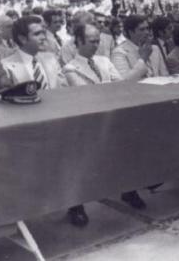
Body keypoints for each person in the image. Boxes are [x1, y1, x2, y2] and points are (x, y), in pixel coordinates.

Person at [61, 23, 122, 227]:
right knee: (81, 167)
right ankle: (76, 206)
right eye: (91, 41)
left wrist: (107, 89)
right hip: (85, 125)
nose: (96, 45)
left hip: (110, 118)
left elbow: (121, 86)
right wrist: (108, 89)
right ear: (78, 42)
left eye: (98, 41)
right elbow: (86, 96)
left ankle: (129, 190)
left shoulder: (104, 61)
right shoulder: (70, 68)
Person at [1, 16, 66, 88]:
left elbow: (63, 87)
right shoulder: (7, 65)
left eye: (43, 33)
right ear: (22, 39)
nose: (43, 37)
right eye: (37, 34)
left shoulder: (51, 59)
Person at [111, 15, 168, 80]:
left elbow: (165, 75)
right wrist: (143, 58)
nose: (147, 32)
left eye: (147, 28)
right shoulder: (119, 53)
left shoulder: (155, 49)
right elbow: (124, 82)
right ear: (130, 32)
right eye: (142, 29)